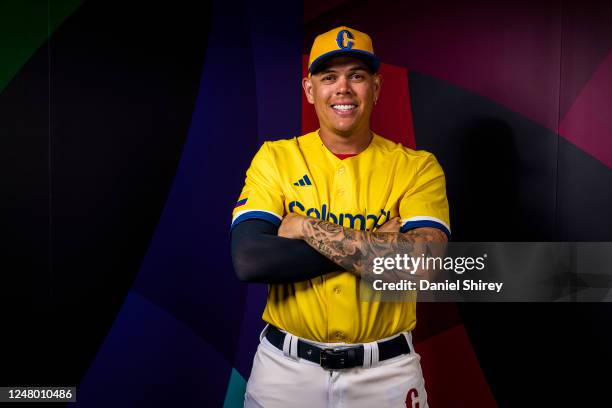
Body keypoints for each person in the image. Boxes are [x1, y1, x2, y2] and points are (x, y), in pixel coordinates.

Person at [231, 26, 450, 408]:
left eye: (357, 76)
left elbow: (422, 265)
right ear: (309, 89)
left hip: (386, 372)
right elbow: (251, 259)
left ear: (377, 88)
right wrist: (374, 243)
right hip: (285, 370)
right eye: (329, 76)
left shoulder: (417, 167)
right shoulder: (276, 158)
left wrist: (302, 227)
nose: (343, 88)